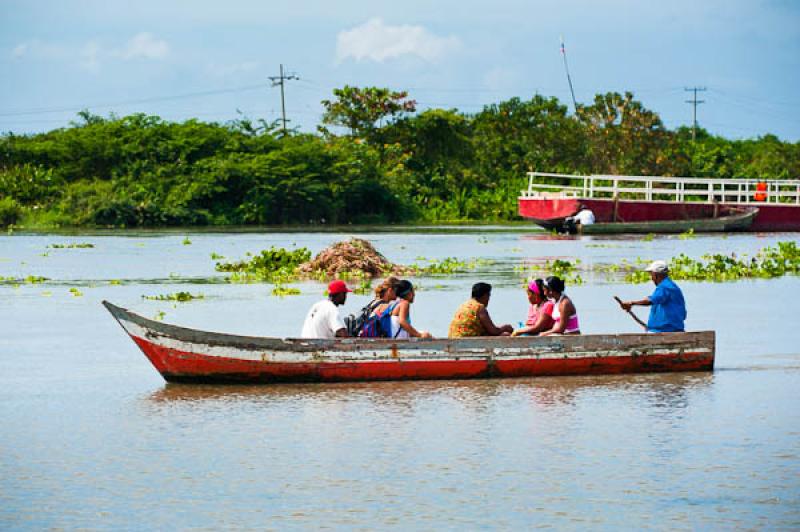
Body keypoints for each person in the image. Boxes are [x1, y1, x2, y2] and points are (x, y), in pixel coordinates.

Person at [621, 260, 686, 332]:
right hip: (671, 329)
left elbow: (650, 301)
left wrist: (631, 303)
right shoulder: (669, 285)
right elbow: (652, 298)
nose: (651, 278)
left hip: (666, 330)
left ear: (655, 275)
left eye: (651, 274)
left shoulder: (665, 287)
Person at [449, 282, 513, 338]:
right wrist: (505, 328)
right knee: (506, 335)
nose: (488, 299)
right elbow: (493, 331)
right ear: (485, 296)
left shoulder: (464, 305)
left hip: (453, 339)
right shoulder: (479, 307)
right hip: (467, 341)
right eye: (489, 296)